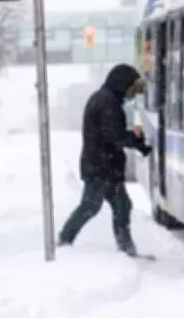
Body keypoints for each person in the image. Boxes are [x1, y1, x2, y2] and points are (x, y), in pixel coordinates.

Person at [58, 63, 151, 256]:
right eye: (131, 89)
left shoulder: (106, 99)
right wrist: (137, 141)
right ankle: (64, 240)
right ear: (121, 84)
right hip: (101, 167)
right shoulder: (107, 102)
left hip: (105, 166)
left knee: (122, 206)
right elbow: (113, 135)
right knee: (90, 206)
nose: (132, 95)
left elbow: (112, 133)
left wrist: (133, 140)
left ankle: (126, 248)